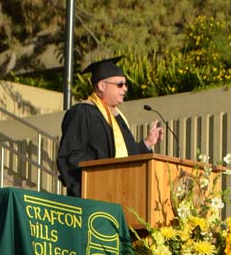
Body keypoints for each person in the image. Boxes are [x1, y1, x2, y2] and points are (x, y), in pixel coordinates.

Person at [56, 57, 164, 197]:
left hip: (120, 195)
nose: (125, 88)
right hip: (94, 196)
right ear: (102, 86)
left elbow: (126, 158)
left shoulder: (118, 119)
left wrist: (147, 143)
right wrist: (99, 178)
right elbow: (70, 156)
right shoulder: (82, 113)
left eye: (125, 84)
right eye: (120, 84)